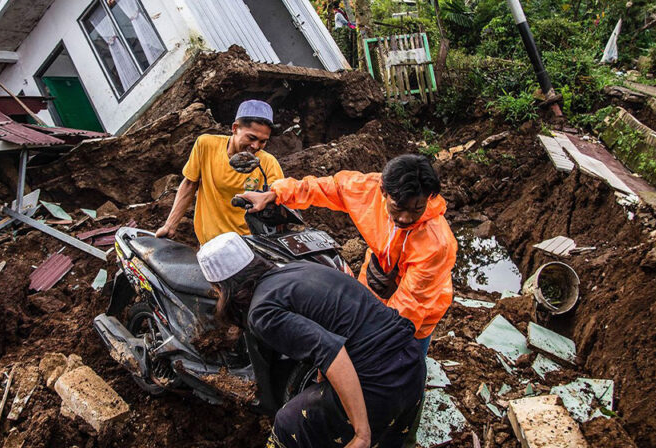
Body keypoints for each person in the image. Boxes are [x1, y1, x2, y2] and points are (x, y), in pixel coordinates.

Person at [197, 232, 426, 448]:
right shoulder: (295, 269)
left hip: (380, 381)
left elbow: (331, 351)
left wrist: (361, 433)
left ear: (221, 289)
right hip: (412, 365)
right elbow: (336, 327)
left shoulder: (261, 312)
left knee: (287, 424)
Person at [237, 154, 456, 348]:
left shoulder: (436, 244)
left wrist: (378, 341)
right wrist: (275, 194)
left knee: (404, 359)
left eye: (417, 209)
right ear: (383, 192)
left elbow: (411, 307)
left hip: (418, 312)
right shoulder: (368, 190)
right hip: (375, 283)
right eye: (398, 207)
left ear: (429, 198)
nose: (406, 218)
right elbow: (329, 187)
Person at [156, 100, 284, 244]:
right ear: (235, 128)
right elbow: (189, 184)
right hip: (210, 244)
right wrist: (170, 225)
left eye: (263, 141)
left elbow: (279, 198)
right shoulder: (206, 145)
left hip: (246, 245)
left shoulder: (267, 163)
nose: (256, 146)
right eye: (251, 138)